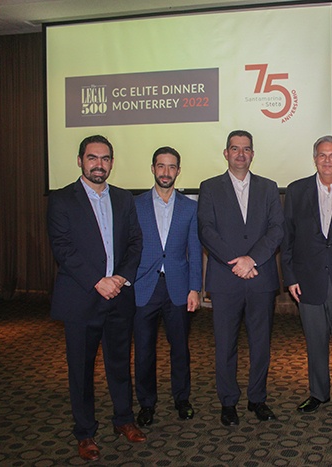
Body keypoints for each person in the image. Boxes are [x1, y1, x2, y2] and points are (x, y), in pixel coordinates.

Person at [47, 135, 146, 461]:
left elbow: (135, 242)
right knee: (81, 370)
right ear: (80, 161)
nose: (98, 164)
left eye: (105, 158)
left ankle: (123, 419)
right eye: (92, 158)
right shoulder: (62, 199)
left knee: (120, 364)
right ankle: (85, 432)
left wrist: (119, 278)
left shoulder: (123, 198)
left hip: (119, 296)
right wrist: (97, 281)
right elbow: (63, 248)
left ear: (112, 163)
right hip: (82, 299)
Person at [198, 130, 284, 426]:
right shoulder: (209, 187)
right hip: (226, 278)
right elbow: (206, 230)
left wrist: (251, 259)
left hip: (260, 277)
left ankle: (257, 398)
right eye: (235, 149)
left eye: (246, 149)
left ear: (252, 154)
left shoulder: (268, 187)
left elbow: (277, 229)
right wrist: (236, 262)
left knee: (261, 344)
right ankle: (228, 401)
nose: (240, 154)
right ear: (226, 153)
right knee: (225, 345)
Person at [281, 135, 332, 418]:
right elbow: (287, 238)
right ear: (315, 159)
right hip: (307, 280)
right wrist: (290, 277)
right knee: (314, 341)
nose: (327, 160)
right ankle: (318, 393)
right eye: (322, 155)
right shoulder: (296, 190)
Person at [133, 146, 202, 427]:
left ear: (178, 171)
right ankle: (146, 403)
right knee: (144, 350)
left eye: (171, 166)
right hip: (143, 287)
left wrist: (195, 288)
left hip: (178, 288)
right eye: (161, 166)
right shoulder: (135, 205)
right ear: (153, 168)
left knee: (180, 349)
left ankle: (182, 399)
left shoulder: (190, 207)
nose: (166, 172)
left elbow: (194, 251)